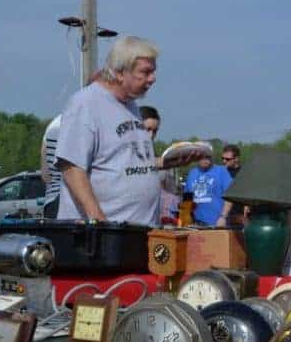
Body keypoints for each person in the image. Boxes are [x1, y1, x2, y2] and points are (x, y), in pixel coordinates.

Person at [56, 36, 200, 224]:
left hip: (136, 233)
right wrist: (100, 223)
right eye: (146, 72)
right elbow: (72, 167)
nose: (153, 78)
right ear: (120, 72)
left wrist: (165, 162)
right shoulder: (86, 103)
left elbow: (123, 163)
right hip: (101, 239)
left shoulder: (130, 106)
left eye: (153, 71)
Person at [184, 155, 234, 226]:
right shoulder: (192, 173)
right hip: (195, 223)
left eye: (208, 157)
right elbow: (187, 198)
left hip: (217, 222)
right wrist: (185, 219)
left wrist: (223, 217)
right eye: (202, 157)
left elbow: (229, 195)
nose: (205, 160)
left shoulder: (221, 171)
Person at [40, 114, 62, 218]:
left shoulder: (52, 126)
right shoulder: (87, 122)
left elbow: (45, 176)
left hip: (52, 202)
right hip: (76, 205)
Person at [221, 144, 246, 226]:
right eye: (223, 158)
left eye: (228, 159)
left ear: (236, 158)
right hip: (222, 215)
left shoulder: (244, 173)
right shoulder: (220, 173)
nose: (224, 161)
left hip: (239, 215)